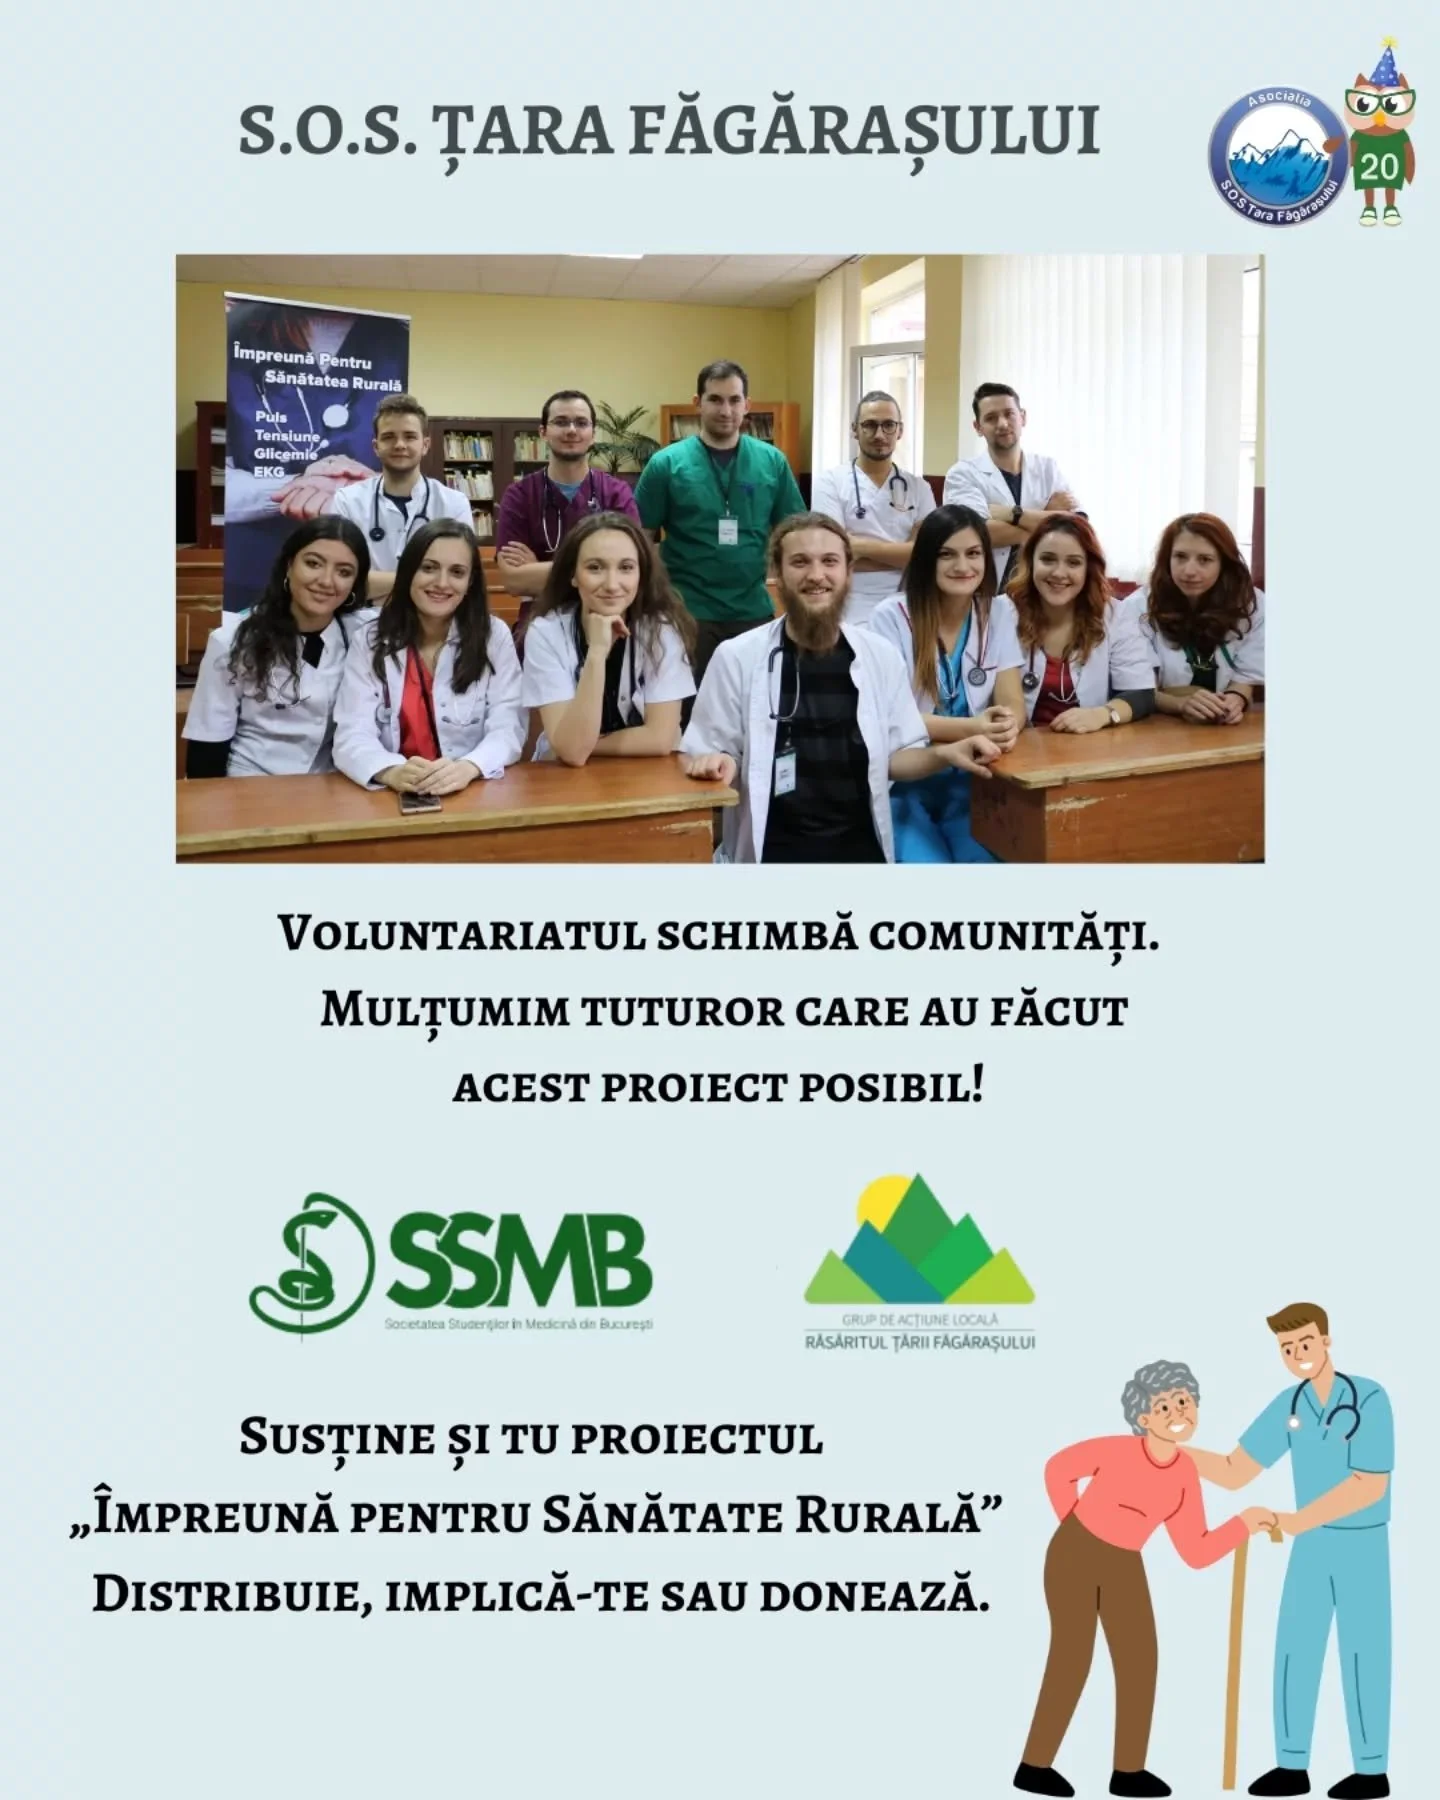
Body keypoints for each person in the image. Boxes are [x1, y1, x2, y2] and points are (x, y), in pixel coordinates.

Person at [1014, 1360, 1275, 1800]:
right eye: (1165, 1404)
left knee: (1140, 1660)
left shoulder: (1184, 1476)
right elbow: (1058, 1469)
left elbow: (1195, 1550)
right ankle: (1034, 1766)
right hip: (1075, 1551)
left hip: (1125, 1563)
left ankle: (1128, 1771)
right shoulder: (1118, 1449)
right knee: (1072, 1656)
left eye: (1184, 1401)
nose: (1178, 1411)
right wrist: (1073, 1527)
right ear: (1143, 1418)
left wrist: (1242, 1525)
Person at [681, 513, 1001, 863]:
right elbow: (709, 751)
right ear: (776, 574)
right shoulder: (737, 658)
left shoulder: (879, 657)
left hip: (860, 851)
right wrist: (718, 763)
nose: (816, 575)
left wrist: (946, 753)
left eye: (829, 561)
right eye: (800, 562)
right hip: (774, 854)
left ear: (849, 572)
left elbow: (896, 756)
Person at [1185, 1305, 1394, 1800]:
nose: (1297, 1354)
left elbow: (1369, 1485)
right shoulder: (1290, 1406)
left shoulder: (1369, 1398)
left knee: (1365, 1650)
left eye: (1305, 1343)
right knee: (1295, 1649)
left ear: (1326, 1340)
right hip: (1311, 1546)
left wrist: (1295, 1519)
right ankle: (1291, 1765)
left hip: (1362, 1542)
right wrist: (1176, 1454)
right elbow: (1237, 1469)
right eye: (1286, 1348)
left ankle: (1371, 1770)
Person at [868, 506, 1025, 863]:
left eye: (973, 554)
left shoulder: (998, 613)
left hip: (977, 783)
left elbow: (1013, 700)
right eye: (947, 555)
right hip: (908, 780)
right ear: (926, 560)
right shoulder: (891, 618)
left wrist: (1007, 724)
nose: (963, 566)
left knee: (985, 867)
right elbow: (893, 718)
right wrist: (972, 727)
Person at [633, 359, 805, 684]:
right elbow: (641, 540)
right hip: (685, 611)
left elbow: (794, 534)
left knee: (753, 708)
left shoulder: (772, 462)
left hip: (751, 610)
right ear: (697, 403)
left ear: (747, 405)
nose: (725, 410)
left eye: (734, 400)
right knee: (685, 713)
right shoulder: (665, 464)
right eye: (715, 399)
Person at [332, 519, 523, 793]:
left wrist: (470, 766)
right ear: (409, 572)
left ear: (470, 583)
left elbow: (509, 727)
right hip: (392, 794)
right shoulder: (371, 639)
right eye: (429, 568)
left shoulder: (493, 636)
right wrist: (390, 770)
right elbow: (352, 731)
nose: (441, 583)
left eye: (457, 572)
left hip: (472, 790)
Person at [183, 516, 371, 778]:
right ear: (288, 565)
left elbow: (422, 594)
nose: (327, 581)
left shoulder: (363, 634)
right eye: (313, 563)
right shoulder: (232, 640)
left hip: (330, 788)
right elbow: (206, 748)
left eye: (344, 572)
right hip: (250, 786)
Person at [520, 513, 696, 766]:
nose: (612, 585)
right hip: (564, 780)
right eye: (595, 567)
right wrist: (597, 652)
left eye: (626, 568)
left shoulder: (661, 631)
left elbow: (660, 739)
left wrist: (580, 744)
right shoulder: (546, 633)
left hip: (647, 774)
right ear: (573, 575)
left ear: (641, 575)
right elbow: (572, 755)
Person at [494, 390, 641, 615]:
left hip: (606, 618)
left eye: (581, 423)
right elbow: (514, 581)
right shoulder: (519, 496)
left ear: (593, 433)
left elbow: (631, 569)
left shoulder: (616, 493)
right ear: (543, 432)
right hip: (539, 621)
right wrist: (597, 569)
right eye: (561, 422)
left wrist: (537, 570)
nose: (572, 430)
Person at [1009, 517, 1155, 732]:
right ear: (1031, 563)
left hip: (1088, 748)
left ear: (1089, 568)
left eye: (1074, 562)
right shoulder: (1003, 612)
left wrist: (1102, 715)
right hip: (1018, 748)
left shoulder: (1115, 615)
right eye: (1048, 559)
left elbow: (1141, 693)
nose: (1059, 573)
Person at [810, 391, 936, 625]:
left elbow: (925, 555)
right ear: (854, 429)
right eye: (869, 425)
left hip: (908, 602)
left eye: (888, 425)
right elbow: (832, 555)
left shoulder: (920, 488)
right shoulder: (830, 483)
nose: (879, 434)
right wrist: (904, 553)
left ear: (900, 430)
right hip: (846, 605)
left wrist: (860, 547)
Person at [329, 395, 473, 599]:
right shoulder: (347, 501)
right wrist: (423, 581)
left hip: (432, 620)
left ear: (425, 445)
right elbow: (340, 577)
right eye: (388, 437)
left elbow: (459, 578)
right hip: (363, 622)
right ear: (375, 446)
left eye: (410, 436)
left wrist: (377, 583)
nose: (399, 444)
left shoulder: (453, 503)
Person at [943, 384, 1081, 590]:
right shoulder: (962, 474)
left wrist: (1011, 514)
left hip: (1042, 589)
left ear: (1023, 417)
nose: (1002, 423)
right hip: (988, 591)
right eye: (991, 418)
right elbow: (975, 536)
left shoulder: (1047, 468)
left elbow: (1077, 526)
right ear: (978, 427)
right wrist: (1049, 518)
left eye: (1009, 414)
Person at [1131, 514, 1264, 724]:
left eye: (1205, 560)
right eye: (1180, 557)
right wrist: (1180, 705)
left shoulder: (1252, 605)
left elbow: (1246, 676)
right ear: (1167, 559)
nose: (1189, 571)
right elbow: (1137, 687)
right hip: (1159, 725)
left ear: (1224, 564)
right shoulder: (1137, 607)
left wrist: (1235, 700)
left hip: (1223, 727)